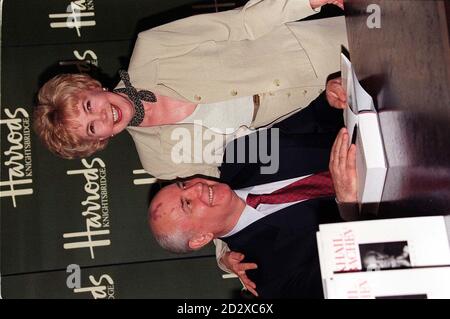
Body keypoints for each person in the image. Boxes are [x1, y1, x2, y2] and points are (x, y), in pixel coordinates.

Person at [34, 0, 347, 180]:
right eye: (92, 127)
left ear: (92, 87)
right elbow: (223, 184)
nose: (102, 115)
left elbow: (242, 23)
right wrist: (224, 250)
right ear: (100, 140)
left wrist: (309, 0)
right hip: (330, 114)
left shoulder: (152, 47)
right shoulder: (159, 161)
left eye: (89, 105)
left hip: (319, 51)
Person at [148, 87, 357, 298]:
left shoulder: (238, 156)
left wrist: (330, 100)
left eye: (183, 184)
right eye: (188, 204)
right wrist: (350, 207)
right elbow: (347, 283)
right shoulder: (270, 276)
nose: (196, 187)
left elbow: (313, 121)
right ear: (201, 239)